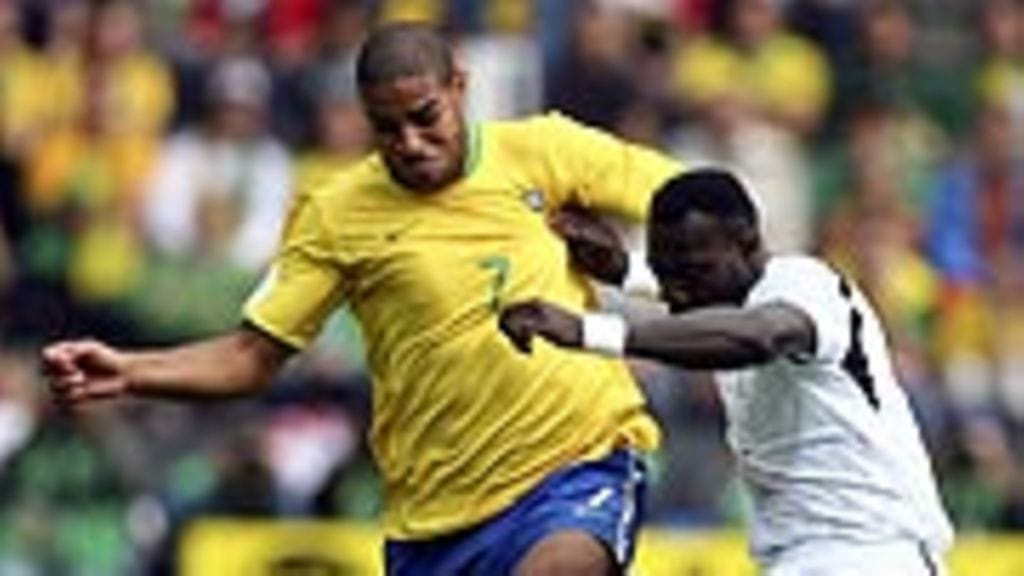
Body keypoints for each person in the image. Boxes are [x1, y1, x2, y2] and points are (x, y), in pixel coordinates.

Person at [42, 23, 682, 576]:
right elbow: (251, 355)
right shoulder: (335, 215)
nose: (408, 141)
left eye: (425, 116)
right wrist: (130, 371)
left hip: (576, 465)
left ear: (460, 87)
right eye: (386, 126)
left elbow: (693, 201)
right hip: (434, 517)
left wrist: (632, 269)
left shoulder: (545, 150)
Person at [500, 168, 954, 575]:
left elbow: (760, 335)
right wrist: (620, 269)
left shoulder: (803, 283)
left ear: (749, 242)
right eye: (666, 273)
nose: (677, 293)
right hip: (798, 558)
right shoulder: (715, 293)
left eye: (694, 270)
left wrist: (588, 332)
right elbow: (691, 288)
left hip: (870, 553)